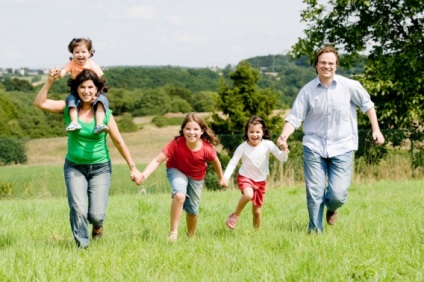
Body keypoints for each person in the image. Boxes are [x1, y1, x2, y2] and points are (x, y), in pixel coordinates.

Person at [277, 46, 385, 233]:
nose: (327, 66)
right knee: (314, 191)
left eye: (331, 63)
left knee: (337, 194)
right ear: (316, 65)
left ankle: (332, 207)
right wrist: (284, 135)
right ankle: (315, 232)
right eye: (323, 63)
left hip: (342, 145)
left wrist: (376, 129)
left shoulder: (350, 86)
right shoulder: (307, 91)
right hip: (314, 146)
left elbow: (368, 106)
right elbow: (295, 118)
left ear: (336, 66)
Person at [34, 68, 142, 248]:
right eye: (82, 87)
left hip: (100, 168)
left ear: (97, 89)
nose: (86, 91)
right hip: (74, 167)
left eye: (90, 87)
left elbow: (118, 141)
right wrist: (50, 81)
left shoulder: (105, 113)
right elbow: (39, 103)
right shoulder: (69, 109)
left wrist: (133, 167)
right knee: (78, 208)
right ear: (76, 89)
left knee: (96, 215)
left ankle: (98, 227)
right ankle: (82, 248)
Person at [135, 113, 225, 242]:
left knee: (193, 210)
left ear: (202, 131)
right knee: (179, 195)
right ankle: (173, 233)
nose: (191, 132)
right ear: (183, 130)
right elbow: (157, 160)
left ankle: (190, 236)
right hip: (176, 170)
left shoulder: (207, 148)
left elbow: (215, 161)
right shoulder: (176, 143)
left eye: (195, 129)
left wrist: (221, 177)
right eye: (188, 129)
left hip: (196, 176)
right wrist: (144, 175)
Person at [221, 116, 289, 230]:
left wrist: (284, 149)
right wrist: (226, 177)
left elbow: (283, 158)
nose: (254, 134)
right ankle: (235, 215)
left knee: (257, 212)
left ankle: (256, 233)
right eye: (251, 131)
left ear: (263, 132)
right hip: (245, 177)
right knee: (248, 194)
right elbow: (233, 163)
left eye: (258, 131)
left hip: (260, 181)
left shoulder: (268, 145)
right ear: (247, 132)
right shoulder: (242, 147)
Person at [58, 38, 109, 135]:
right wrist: (58, 73)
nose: (80, 55)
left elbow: (100, 82)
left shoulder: (93, 66)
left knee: (102, 101)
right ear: (72, 54)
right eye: (77, 52)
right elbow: (62, 73)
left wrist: (96, 95)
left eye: (83, 52)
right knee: (71, 100)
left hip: (93, 91)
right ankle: (74, 122)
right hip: (76, 90)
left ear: (89, 53)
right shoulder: (72, 63)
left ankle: (99, 125)